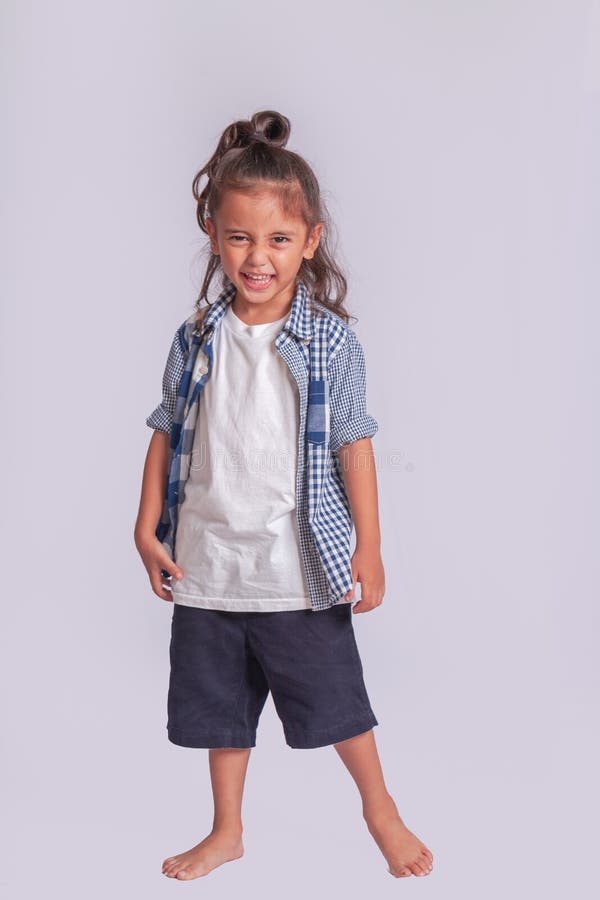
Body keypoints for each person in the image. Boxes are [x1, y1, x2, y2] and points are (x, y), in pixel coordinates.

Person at [134, 110, 433, 881]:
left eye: (275, 239)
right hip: (208, 561)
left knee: (337, 700)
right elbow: (167, 428)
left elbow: (354, 442)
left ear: (310, 239)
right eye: (240, 237)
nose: (256, 256)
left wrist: (368, 547)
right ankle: (226, 829)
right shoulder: (196, 336)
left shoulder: (329, 339)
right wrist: (145, 527)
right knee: (218, 710)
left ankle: (381, 811)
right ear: (213, 234)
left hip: (296, 567)